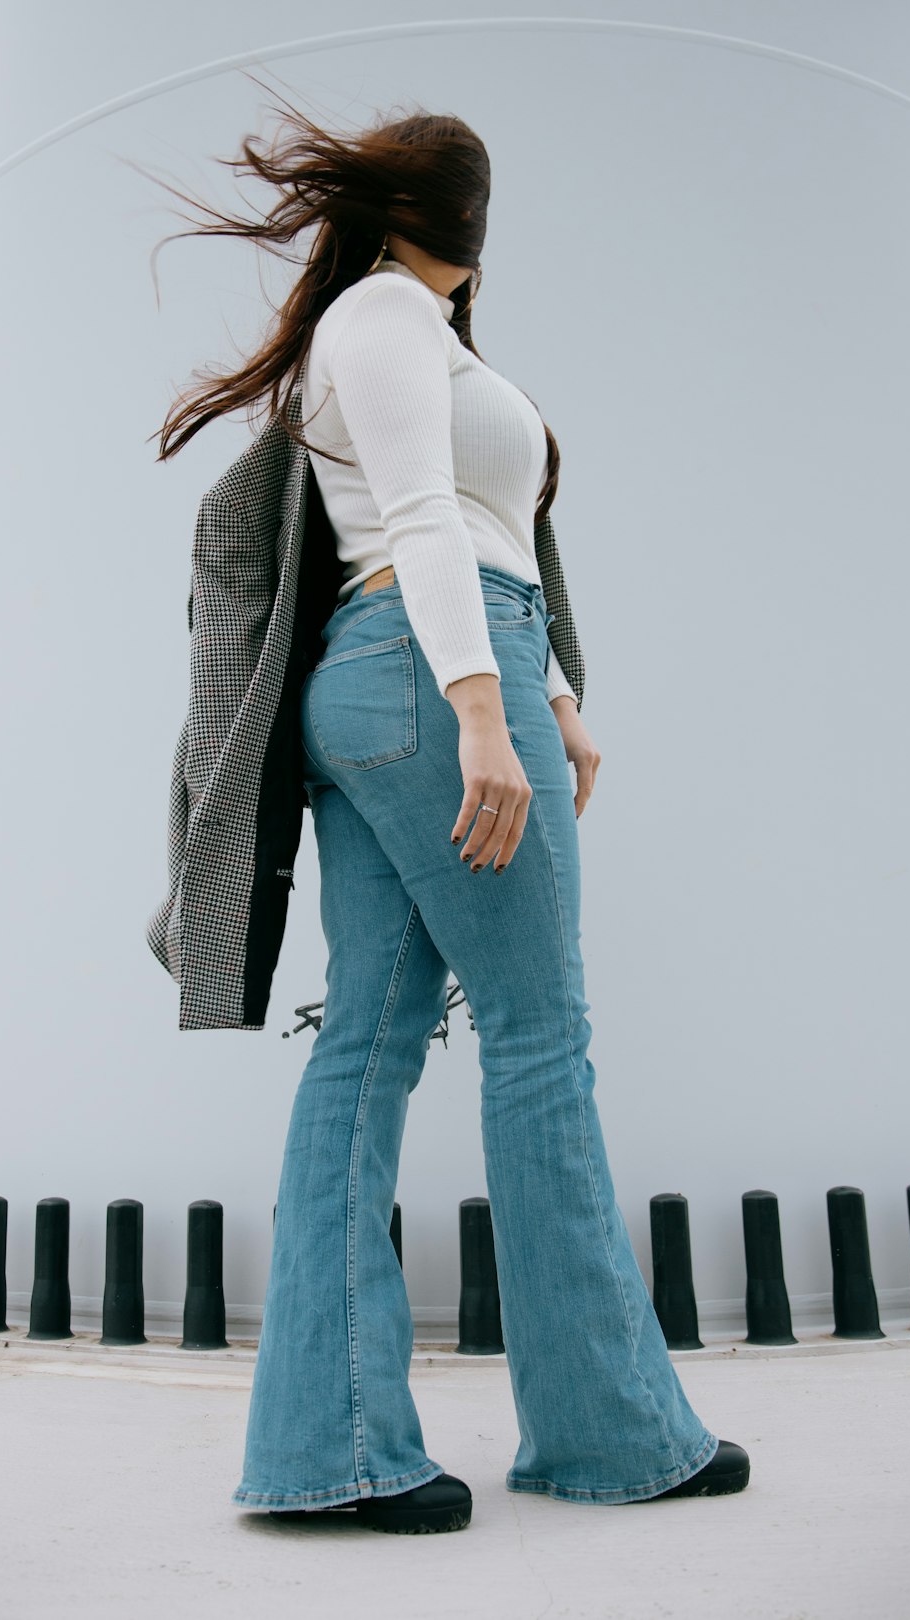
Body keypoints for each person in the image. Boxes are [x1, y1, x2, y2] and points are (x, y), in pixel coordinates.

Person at [146, 84, 750, 1535]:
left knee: (368, 1040)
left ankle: (333, 1448)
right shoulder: (384, 323)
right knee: (541, 1037)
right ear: (462, 229)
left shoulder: (395, 331)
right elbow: (420, 520)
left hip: (415, 675)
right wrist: (486, 710)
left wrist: (546, 699)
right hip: (430, 674)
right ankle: (612, 1435)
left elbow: (474, 531)